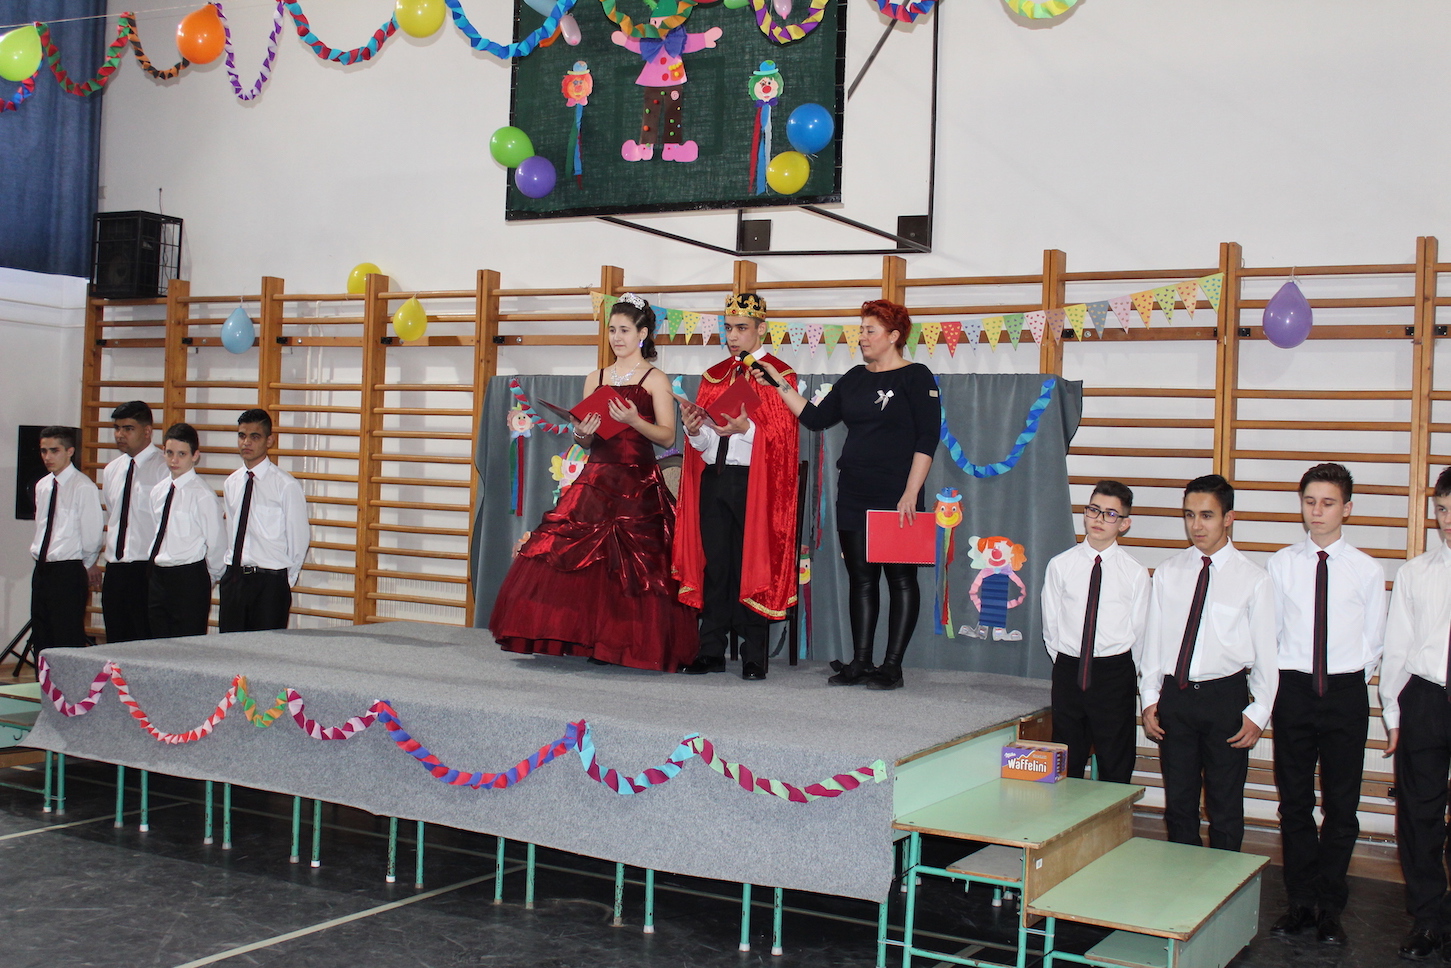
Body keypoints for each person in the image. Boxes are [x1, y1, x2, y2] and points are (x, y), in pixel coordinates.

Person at [491, 294, 698, 671]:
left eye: (625, 330)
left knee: (636, 566)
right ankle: (591, 640)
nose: (617, 337)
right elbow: (585, 439)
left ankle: (626, 645)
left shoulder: (655, 379)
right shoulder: (596, 378)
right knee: (577, 556)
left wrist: (635, 420)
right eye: (612, 330)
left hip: (637, 481)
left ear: (642, 334)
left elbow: (668, 436)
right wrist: (582, 433)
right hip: (596, 477)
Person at [752, 299, 938, 690]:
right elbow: (816, 418)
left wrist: (911, 492)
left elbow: (927, 438)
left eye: (871, 330)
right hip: (854, 491)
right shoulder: (854, 377)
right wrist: (779, 384)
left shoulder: (916, 377)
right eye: (861, 330)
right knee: (861, 579)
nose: (862, 337)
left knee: (901, 580)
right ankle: (861, 662)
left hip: (897, 493)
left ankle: (892, 667)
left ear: (894, 335)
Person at [1264, 463, 1384, 946]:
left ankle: (1330, 906)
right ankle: (1299, 902)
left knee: (1341, 805)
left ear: (1346, 509)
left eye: (1328, 503)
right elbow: (1271, 632)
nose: (1317, 511)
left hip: (1344, 692)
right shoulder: (1281, 564)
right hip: (1293, 690)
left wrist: (1343, 681)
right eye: (1310, 501)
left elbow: (1373, 642)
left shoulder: (1366, 569)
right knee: (1294, 803)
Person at [1140, 474, 1277, 851]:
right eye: (1189, 515)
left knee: (1225, 806)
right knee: (1179, 804)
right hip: (1176, 698)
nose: (1196, 525)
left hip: (1225, 700)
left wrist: (1259, 711)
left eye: (1206, 515)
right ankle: (1183, 880)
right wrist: (1149, 698)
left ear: (1228, 518)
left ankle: (1225, 881)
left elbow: (1267, 653)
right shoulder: (1169, 572)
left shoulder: (1253, 579)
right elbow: (1154, 642)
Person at [674, 292, 800, 681]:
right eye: (728, 328)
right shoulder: (713, 376)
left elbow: (783, 439)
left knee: (752, 562)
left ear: (761, 329)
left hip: (756, 485)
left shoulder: (779, 376)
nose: (732, 336)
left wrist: (747, 430)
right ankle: (710, 649)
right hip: (716, 478)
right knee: (715, 564)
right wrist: (695, 431)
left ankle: (754, 654)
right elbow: (707, 445)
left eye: (741, 328)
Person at [1381, 467, 1451, 961]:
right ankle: (1427, 919)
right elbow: (1397, 648)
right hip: (1426, 698)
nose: (1448, 520)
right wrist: (1393, 713)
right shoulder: (1415, 573)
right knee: (1420, 815)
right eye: (1443, 509)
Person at [1041, 480, 1149, 785]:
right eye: (1094, 510)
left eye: (1111, 514)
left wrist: (1124, 671)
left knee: (1116, 760)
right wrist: (1069, 661)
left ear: (1124, 524)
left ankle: (1113, 814)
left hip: (1113, 673)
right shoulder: (1061, 565)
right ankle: (1063, 813)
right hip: (1069, 669)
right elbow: (1051, 625)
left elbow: (1140, 632)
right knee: (1066, 760)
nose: (1099, 519)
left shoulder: (1134, 573)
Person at [219, 409, 309, 633]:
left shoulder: (285, 485)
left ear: (269, 440)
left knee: (265, 648)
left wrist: (284, 581)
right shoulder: (231, 483)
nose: (246, 442)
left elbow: (298, 538)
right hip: (235, 578)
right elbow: (231, 533)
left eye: (255, 436)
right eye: (242, 436)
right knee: (229, 646)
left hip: (270, 582)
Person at [92, 401, 168, 643]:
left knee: (145, 641)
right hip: (116, 567)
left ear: (147, 431)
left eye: (128, 428)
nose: (120, 435)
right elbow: (114, 513)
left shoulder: (163, 467)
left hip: (146, 568)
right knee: (116, 639)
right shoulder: (112, 470)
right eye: (117, 428)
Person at [147, 423, 226, 639]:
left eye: (181, 454)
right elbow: (158, 531)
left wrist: (208, 578)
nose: (174, 460)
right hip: (159, 575)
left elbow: (217, 543)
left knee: (188, 642)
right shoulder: (158, 491)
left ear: (195, 456)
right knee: (158, 640)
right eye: (169, 453)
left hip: (189, 577)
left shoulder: (202, 495)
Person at [30, 426, 103, 652]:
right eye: (44, 451)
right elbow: (42, 526)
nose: (48, 457)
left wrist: (87, 563)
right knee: (42, 633)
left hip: (68, 569)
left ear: (70, 451)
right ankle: (42, 675)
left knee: (66, 634)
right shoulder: (43, 485)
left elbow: (92, 533)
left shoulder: (83, 486)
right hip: (43, 567)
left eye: (54, 450)